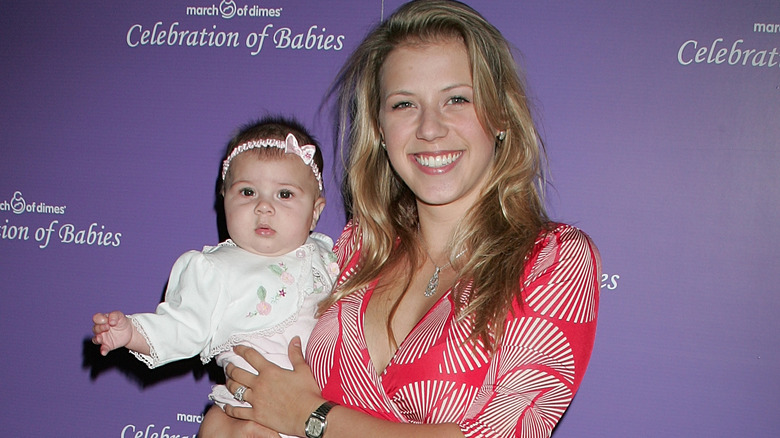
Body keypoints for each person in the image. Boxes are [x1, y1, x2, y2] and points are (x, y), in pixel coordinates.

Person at [214, 1, 601, 437]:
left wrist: (312, 416)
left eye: (457, 99)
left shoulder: (552, 260)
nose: (430, 128)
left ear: (500, 116)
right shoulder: (354, 247)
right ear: (379, 129)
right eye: (403, 105)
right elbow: (254, 398)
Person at [91, 117, 339, 437]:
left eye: (285, 195)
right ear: (224, 200)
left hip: (320, 410)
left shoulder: (328, 256)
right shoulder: (215, 269)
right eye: (248, 192)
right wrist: (132, 332)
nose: (264, 207)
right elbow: (182, 325)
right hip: (250, 412)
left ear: (316, 211)